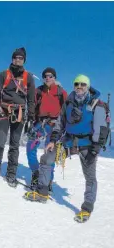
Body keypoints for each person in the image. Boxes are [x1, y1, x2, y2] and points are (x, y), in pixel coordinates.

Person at [24, 74, 110, 223]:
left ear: (88, 86)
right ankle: (43, 191)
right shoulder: (69, 102)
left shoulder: (97, 104)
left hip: (87, 144)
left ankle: (87, 207)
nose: (79, 87)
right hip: (69, 141)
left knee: (89, 176)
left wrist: (95, 148)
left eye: (83, 84)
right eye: (77, 84)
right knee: (47, 158)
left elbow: (102, 129)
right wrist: (53, 140)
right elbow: (60, 123)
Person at [0, 47, 35, 187]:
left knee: (15, 145)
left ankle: (11, 174)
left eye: (20, 58)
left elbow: (31, 99)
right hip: (3, 111)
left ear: (24, 60)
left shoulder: (28, 77)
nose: (17, 60)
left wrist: (31, 117)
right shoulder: (4, 75)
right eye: (15, 57)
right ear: (12, 59)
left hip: (19, 113)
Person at [26, 67, 67, 191]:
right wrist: (31, 118)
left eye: (50, 76)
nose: (48, 78)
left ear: (54, 78)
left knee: (50, 152)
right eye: (45, 76)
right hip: (40, 123)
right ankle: (36, 173)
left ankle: (48, 178)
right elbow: (32, 105)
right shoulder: (39, 91)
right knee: (30, 147)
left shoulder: (61, 92)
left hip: (55, 125)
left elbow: (67, 109)